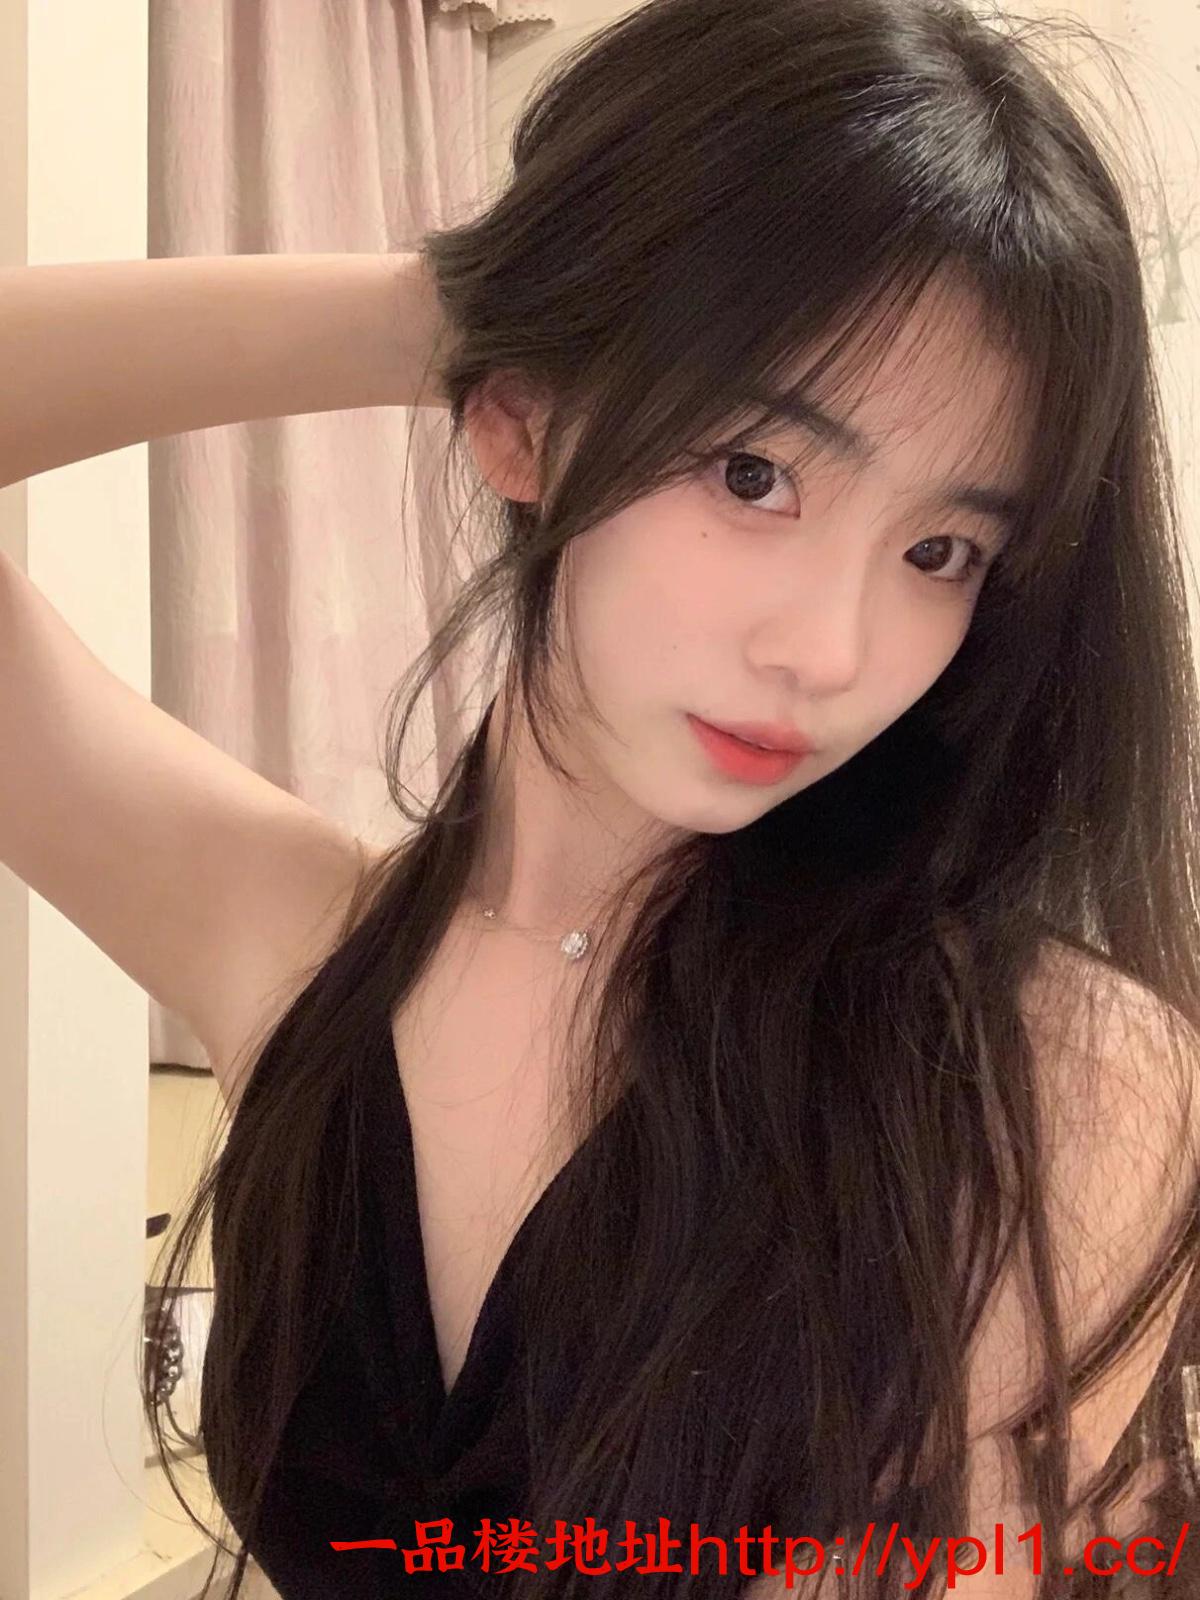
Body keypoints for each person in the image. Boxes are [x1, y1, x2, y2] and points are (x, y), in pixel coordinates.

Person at [3, 0, 1200, 1594]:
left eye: (940, 551)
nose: (830, 651)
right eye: (754, 472)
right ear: (518, 418)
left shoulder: (1046, 1078)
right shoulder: (297, 942)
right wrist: (469, 311)